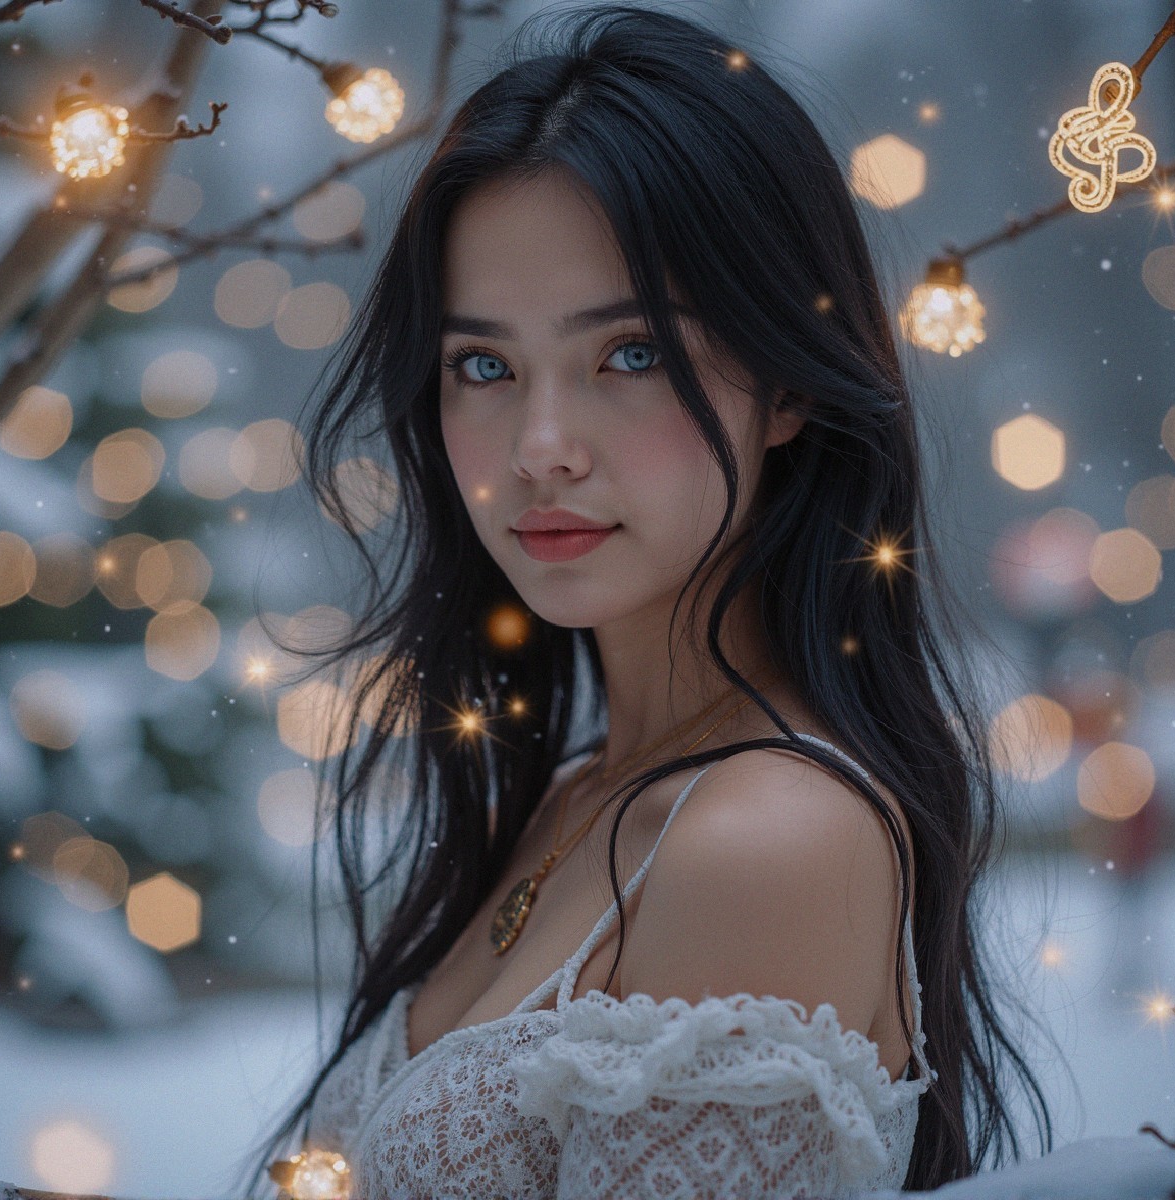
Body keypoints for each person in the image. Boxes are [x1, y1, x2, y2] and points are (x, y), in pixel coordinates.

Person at [233, 5, 1053, 1196]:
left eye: (629, 354)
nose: (540, 447)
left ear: (784, 387)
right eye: (483, 366)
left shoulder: (762, 842)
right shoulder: (579, 788)